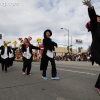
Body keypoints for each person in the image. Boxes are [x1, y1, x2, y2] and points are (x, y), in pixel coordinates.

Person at [83, 0, 100, 94]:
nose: (99, 19)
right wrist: (91, 7)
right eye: (98, 18)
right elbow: (93, 17)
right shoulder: (94, 26)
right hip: (96, 50)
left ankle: (97, 85)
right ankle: (99, 87)